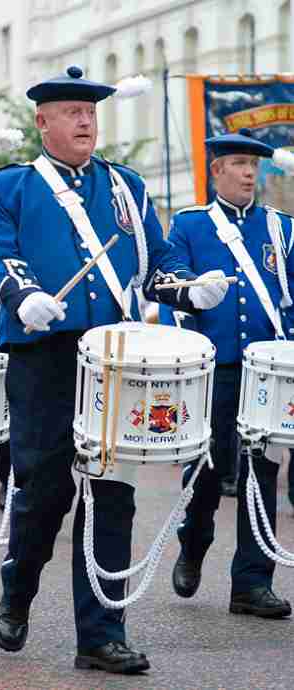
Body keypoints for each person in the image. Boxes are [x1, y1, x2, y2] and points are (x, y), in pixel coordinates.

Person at [0, 65, 228, 675]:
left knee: (113, 494)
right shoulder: (11, 187)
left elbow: (155, 263)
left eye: (91, 112)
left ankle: (101, 634)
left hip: (114, 356)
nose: (86, 120)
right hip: (46, 357)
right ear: (43, 122)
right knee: (46, 490)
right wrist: (21, 294)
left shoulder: (126, 187)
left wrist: (190, 291)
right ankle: (18, 587)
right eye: (71, 112)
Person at [159, 128, 293, 618]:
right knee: (207, 471)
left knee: (262, 472)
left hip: (266, 371)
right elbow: (173, 289)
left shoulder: (281, 227)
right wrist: (189, 340)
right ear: (216, 171)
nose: (248, 174)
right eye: (238, 164)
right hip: (214, 369)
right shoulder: (191, 226)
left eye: (254, 166)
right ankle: (193, 547)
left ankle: (251, 583)